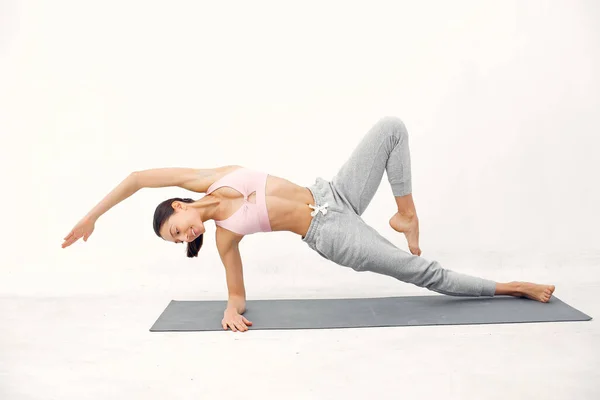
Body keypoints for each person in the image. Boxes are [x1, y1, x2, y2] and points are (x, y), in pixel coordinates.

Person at [62, 116, 555, 332]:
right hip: (330, 234)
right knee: (420, 272)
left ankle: (406, 212)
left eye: (177, 228)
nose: (185, 236)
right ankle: (513, 287)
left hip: (332, 193)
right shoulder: (226, 238)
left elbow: (136, 177)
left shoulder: (207, 176)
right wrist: (231, 311)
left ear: (178, 205)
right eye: (179, 242)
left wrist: (91, 216)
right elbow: (236, 291)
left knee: (390, 128)